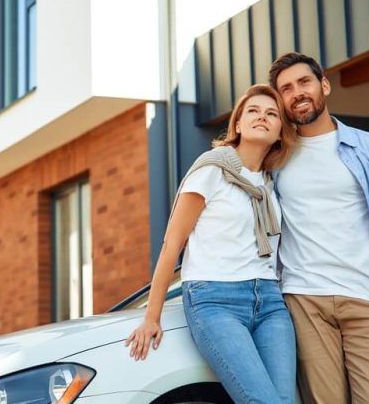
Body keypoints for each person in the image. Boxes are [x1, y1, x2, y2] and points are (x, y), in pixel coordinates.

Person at [268, 52, 369, 404]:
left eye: (304, 82)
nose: (297, 92)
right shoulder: (274, 159)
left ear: (323, 85)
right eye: (286, 88)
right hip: (304, 300)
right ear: (280, 100)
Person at [125, 84, 298, 404]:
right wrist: (152, 316)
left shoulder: (271, 184)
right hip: (216, 301)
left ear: (279, 132)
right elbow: (171, 244)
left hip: (270, 302)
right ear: (237, 124)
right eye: (253, 111)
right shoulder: (211, 170)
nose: (263, 117)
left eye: (272, 114)